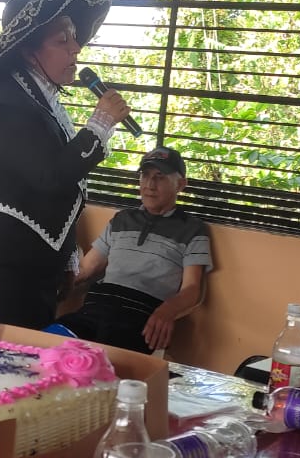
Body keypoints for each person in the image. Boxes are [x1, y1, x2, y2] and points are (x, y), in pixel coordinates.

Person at [0, 0, 131, 328]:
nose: (76, 48)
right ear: (28, 50)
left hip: (34, 269)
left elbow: (58, 194)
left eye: (75, 37)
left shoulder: (41, 104)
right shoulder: (2, 105)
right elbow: (50, 176)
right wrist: (100, 124)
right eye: (63, 40)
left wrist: (65, 258)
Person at [51, 147, 213, 354]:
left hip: (138, 319)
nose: (150, 185)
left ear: (180, 184)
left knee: (100, 363)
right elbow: (87, 268)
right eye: (145, 175)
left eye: (160, 177)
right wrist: (53, 285)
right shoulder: (122, 219)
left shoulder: (192, 229)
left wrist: (167, 312)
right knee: (47, 346)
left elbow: (192, 289)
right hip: (95, 309)